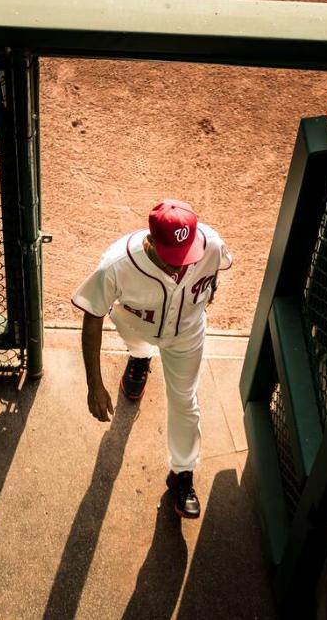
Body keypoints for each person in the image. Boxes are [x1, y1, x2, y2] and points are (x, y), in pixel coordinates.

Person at [72, 199, 232, 518]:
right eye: (171, 259)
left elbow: (217, 271)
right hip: (133, 325)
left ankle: (182, 474)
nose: (180, 266)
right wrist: (95, 385)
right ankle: (140, 358)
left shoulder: (211, 245)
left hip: (185, 334)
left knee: (185, 399)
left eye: (185, 256)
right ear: (150, 241)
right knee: (138, 344)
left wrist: (208, 294)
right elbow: (92, 316)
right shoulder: (116, 264)